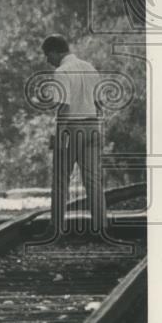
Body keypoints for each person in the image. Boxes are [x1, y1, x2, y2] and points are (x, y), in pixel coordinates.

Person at [40, 34, 104, 232]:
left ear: (54, 51)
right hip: (93, 126)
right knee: (93, 180)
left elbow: (64, 108)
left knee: (60, 180)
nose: (47, 60)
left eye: (47, 55)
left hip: (71, 129)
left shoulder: (62, 71)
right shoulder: (90, 68)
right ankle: (100, 226)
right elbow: (100, 103)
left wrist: (59, 136)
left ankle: (57, 227)